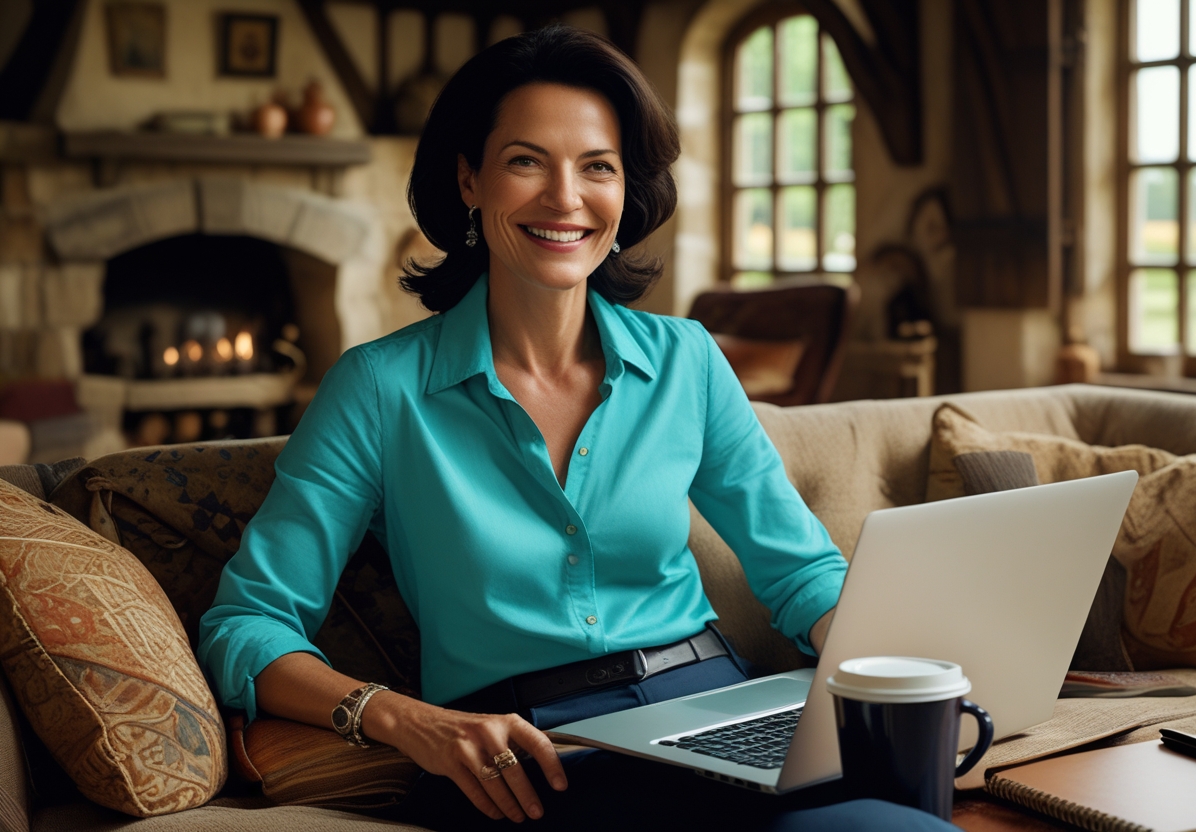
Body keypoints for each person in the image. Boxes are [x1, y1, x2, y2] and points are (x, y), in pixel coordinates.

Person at [197, 27, 958, 832]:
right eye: (527, 161)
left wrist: (888, 671)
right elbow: (246, 625)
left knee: (911, 809)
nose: (566, 198)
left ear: (627, 191)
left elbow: (800, 571)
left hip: (717, 703)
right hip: (528, 756)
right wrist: (406, 719)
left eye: (598, 166)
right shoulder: (380, 388)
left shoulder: (686, 361)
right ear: (469, 179)